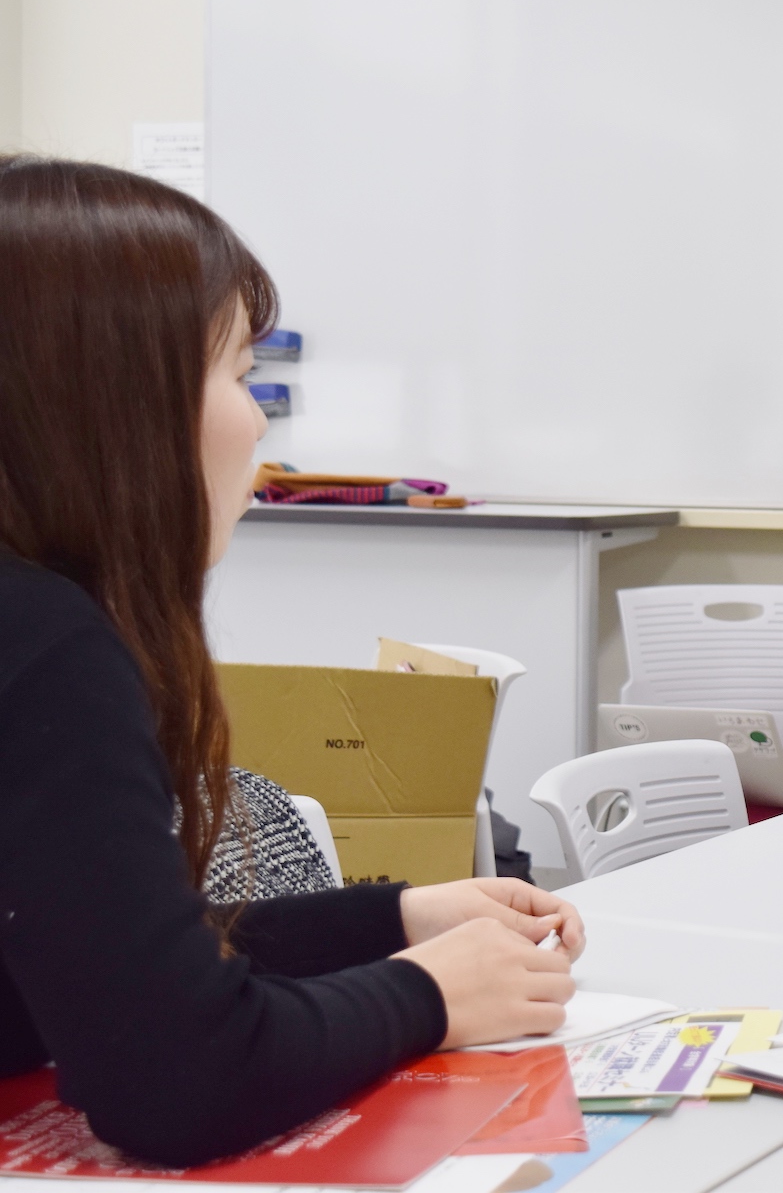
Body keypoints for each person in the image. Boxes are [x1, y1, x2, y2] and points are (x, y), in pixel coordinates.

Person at [0, 157, 584, 1165]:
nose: (261, 417)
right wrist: (436, 992)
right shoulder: (44, 645)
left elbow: (99, 964)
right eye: (235, 371)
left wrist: (394, 917)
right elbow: (176, 1076)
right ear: (114, 401)